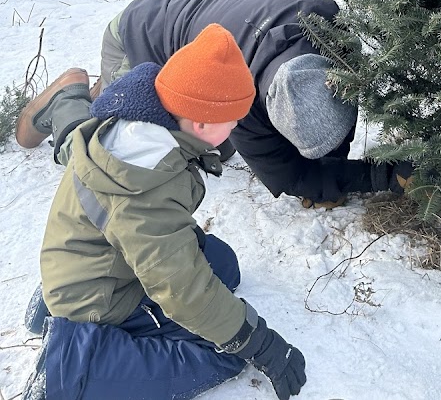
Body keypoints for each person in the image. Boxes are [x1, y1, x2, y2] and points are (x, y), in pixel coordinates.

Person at [15, 24, 307, 400]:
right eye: (233, 119)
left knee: (224, 266)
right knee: (224, 353)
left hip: (94, 254)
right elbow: (181, 289)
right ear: (201, 122)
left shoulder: (140, 119)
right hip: (100, 299)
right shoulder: (146, 181)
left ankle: (54, 306)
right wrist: (261, 344)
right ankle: (72, 363)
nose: (237, 126)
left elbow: (156, 237)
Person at [94, 0, 412, 208]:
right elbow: (290, 176)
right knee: (122, 148)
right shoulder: (234, 93)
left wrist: (342, 165)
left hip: (191, 8)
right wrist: (380, 176)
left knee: (217, 144)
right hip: (138, 35)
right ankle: (67, 98)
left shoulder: (332, 36)